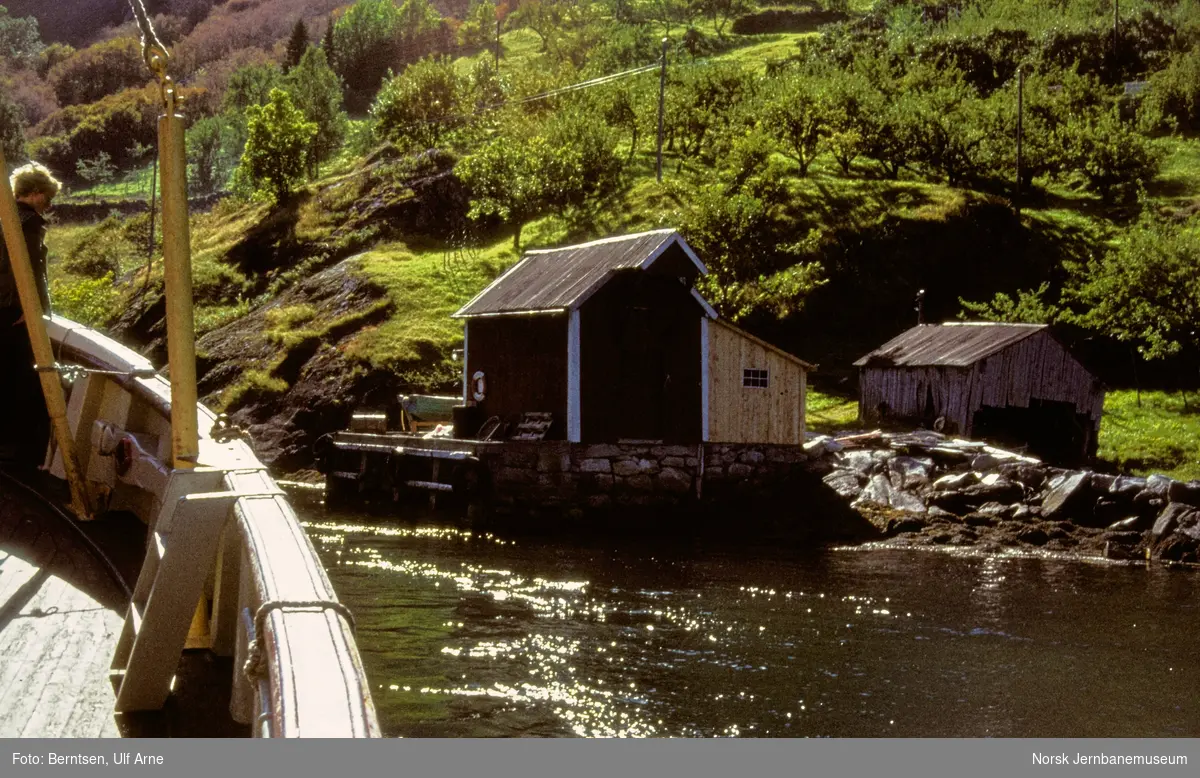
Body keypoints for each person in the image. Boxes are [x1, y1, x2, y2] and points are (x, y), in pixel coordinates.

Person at [0, 162, 59, 466]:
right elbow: (31, 270)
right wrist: (32, 306)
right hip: (13, 312)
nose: (48, 205)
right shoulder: (28, 224)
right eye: (47, 198)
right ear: (34, 193)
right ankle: (21, 452)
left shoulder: (3, 216)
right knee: (25, 379)